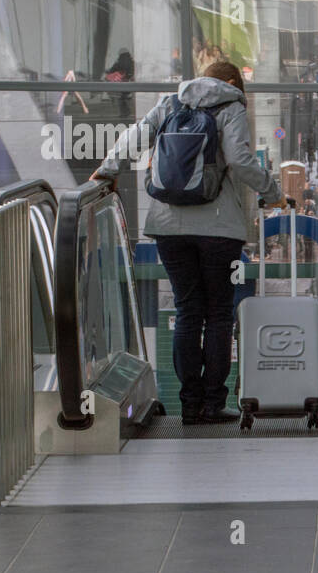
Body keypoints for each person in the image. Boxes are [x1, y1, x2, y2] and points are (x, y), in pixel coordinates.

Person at [90, 60, 284, 425]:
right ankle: (213, 403)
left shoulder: (171, 102)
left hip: (166, 225)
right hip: (218, 228)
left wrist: (107, 170)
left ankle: (189, 405)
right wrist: (272, 192)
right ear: (230, 82)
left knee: (188, 311)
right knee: (219, 314)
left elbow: (135, 136)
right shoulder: (231, 106)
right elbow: (241, 162)